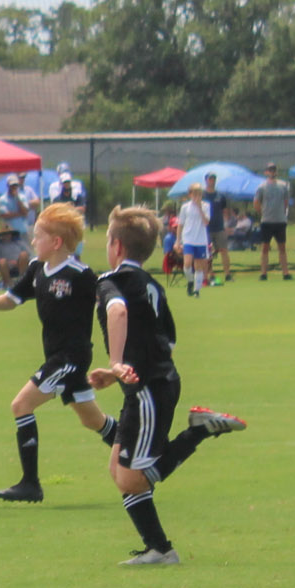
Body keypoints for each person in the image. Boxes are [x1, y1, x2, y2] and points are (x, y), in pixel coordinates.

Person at [87, 206, 247, 566]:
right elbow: (166, 341)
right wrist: (116, 373)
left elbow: (117, 312)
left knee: (132, 478)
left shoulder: (111, 282)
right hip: (154, 384)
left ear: (116, 246)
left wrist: (116, 362)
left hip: (148, 391)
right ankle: (158, 549)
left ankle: (199, 432)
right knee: (119, 470)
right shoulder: (152, 285)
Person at [0, 204, 120, 504]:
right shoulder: (37, 269)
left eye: (38, 236)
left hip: (70, 359)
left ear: (56, 242)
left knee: (21, 405)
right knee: (93, 421)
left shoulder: (81, 275)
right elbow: (13, 298)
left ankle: (30, 484)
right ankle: (138, 447)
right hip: (57, 357)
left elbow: (109, 302)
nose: (33, 241)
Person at [253, 162, 293, 279]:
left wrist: (282, 213)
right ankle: (263, 273)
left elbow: (286, 202)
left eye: (274, 170)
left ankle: (285, 273)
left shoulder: (283, 185)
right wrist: (263, 213)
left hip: (280, 221)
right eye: (270, 170)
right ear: (266, 172)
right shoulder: (262, 187)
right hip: (267, 221)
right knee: (265, 247)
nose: (272, 172)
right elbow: (256, 203)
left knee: (282, 247)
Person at [0, 174, 34, 287]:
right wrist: (19, 213)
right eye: (12, 186)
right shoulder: (2, 199)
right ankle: (9, 283)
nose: (14, 188)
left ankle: (22, 281)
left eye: (15, 185)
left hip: (22, 232)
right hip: (8, 231)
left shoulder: (22, 197)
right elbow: (4, 215)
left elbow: (25, 212)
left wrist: (18, 200)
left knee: (26, 255)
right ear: (8, 186)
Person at [176, 183, 212, 296]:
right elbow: (180, 224)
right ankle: (190, 281)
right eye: (195, 194)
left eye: (199, 194)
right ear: (190, 195)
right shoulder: (185, 207)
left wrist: (200, 208)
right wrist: (178, 241)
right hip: (188, 238)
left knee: (198, 266)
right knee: (187, 264)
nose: (197, 196)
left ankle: (197, 290)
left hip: (200, 239)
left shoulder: (206, 206)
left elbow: (206, 222)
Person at [201, 173, 232, 284]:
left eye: (213, 179)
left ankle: (227, 274)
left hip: (219, 227)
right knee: (208, 253)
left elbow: (225, 210)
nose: (212, 181)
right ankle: (211, 274)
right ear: (206, 180)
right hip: (206, 228)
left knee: (224, 250)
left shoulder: (220, 196)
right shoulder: (202, 195)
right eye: (210, 179)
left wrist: (226, 224)